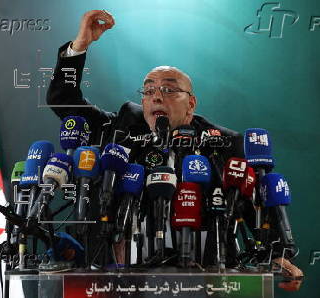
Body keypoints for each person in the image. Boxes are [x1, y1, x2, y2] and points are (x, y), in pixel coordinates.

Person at [46, 10, 303, 291]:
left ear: (191, 103)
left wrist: (279, 254)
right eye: (148, 90)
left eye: (169, 90)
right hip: (118, 280)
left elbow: (258, 200)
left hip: (207, 281)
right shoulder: (118, 128)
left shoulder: (224, 144)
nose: (156, 95)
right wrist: (80, 45)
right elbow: (64, 99)